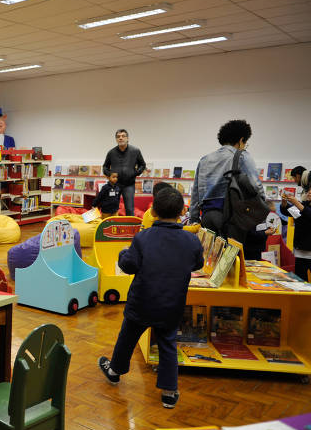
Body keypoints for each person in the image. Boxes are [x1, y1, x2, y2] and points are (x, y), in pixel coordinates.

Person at [98, 188, 204, 409]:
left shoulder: (143, 237)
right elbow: (198, 264)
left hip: (142, 302)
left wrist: (122, 253)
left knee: (127, 337)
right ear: (182, 212)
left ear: (153, 211)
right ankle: (169, 392)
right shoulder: (191, 240)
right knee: (167, 344)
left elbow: (128, 266)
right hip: (171, 304)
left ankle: (115, 371)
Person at [188, 119, 264, 244]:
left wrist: (194, 219)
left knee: (211, 259)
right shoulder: (242, 156)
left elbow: (195, 193)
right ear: (241, 140)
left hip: (207, 216)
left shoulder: (205, 159)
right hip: (231, 217)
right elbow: (256, 186)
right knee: (231, 260)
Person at [102, 129, 146, 217]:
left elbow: (142, 165)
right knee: (112, 208)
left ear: (127, 138)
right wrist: (110, 175)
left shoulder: (135, 151)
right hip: (114, 185)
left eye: (123, 136)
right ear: (116, 139)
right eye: (118, 137)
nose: (120, 138)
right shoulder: (111, 152)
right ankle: (112, 227)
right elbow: (105, 167)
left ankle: (130, 229)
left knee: (129, 209)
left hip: (129, 185)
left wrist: (136, 173)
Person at [280, 169, 311, 281]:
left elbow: (308, 214)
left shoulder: (303, 206)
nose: (309, 192)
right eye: (309, 190)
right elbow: (290, 212)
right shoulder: (304, 204)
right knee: (299, 283)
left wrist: (296, 203)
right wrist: (284, 203)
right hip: (300, 251)